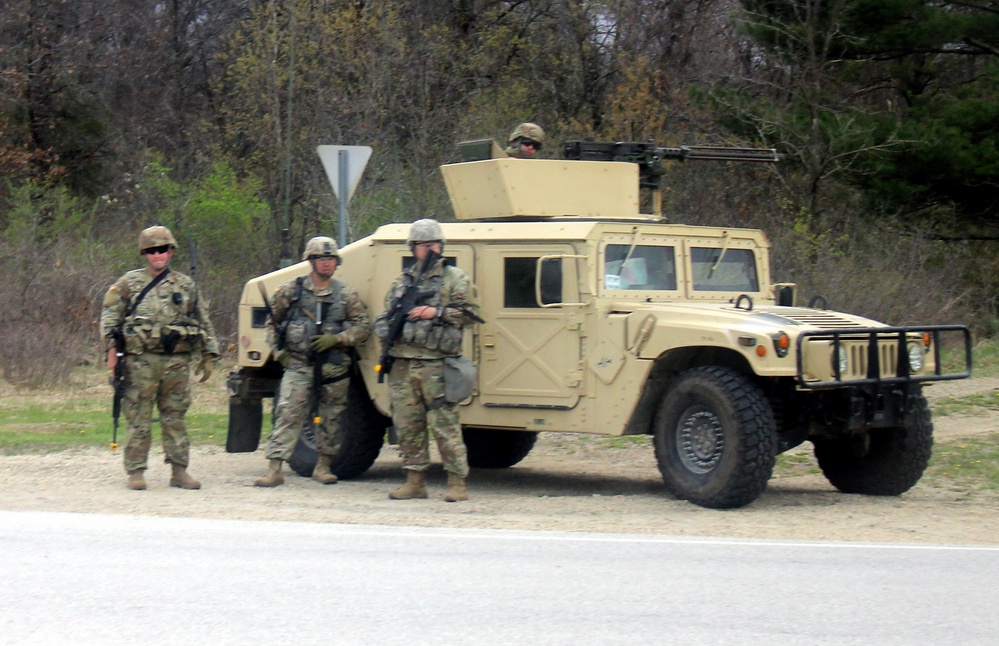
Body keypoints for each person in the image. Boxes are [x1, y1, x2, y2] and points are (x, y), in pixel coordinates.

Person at [101, 225, 220, 491]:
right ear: (145, 253)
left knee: (175, 416)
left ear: (171, 251)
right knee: (138, 416)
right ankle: (136, 471)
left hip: (176, 363)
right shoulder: (128, 284)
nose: (158, 255)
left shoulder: (186, 285)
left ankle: (179, 471)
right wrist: (111, 354)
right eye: (152, 250)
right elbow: (109, 319)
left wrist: (209, 353)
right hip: (140, 363)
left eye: (163, 249)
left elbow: (203, 319)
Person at [375, 219, 481, 502]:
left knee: (445, 425)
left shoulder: (455, 278)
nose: (429, 249)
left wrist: (434, 313)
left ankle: (457, 483)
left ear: (442, 247)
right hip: (403, 364)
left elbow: (470, 315)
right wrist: (386, 330)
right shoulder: (402, 281)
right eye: (422, 245)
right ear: (413, 248)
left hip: (437, 365)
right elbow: (386, 316)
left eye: (433, 244)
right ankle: (414, 481)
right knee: (408, 426)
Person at [254, 236, 370, 487]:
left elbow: (363, 327)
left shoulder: (345, 295)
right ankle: (275, 468)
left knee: (333, 417)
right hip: (299, 365)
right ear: (311, 261)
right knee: (288, 414)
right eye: (320, 259)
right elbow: (272, 324)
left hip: (334, 367)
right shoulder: (292, 291)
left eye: (330, 259)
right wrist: (279, 353)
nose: (326, 264)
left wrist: (337, 339)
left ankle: (323, 466)